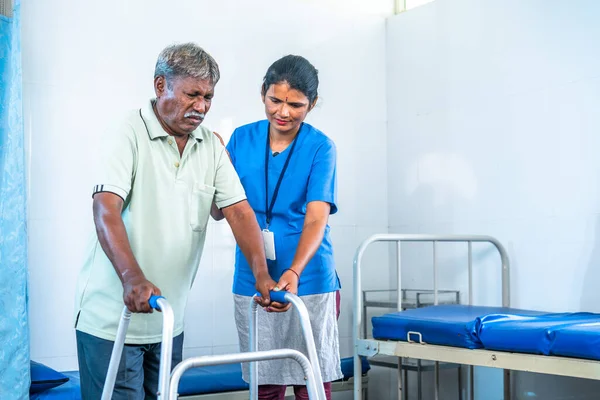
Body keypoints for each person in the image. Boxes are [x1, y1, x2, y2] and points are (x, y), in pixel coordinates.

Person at [73, 43, 276, 400]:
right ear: (160, 86)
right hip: (111, 320)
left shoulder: (209, 145)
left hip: (168, 319)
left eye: (208, 97)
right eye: (192, 94)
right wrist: (132, 278)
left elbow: (239, 212)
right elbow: (105, 208)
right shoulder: (127, 132)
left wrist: (262, 275)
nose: (201, 107)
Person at [214, 54, 342, 400]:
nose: (283, 112)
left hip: (309, 278)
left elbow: (317, 217)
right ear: (263, 94)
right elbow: (217, 211)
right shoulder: (241, 140)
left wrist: (295, 271)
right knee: (265, 381)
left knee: (311, 383)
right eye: (275, 100)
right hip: (253, 276)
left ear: (312, 104)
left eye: (295, 104)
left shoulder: (320, 147)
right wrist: (214, 165)